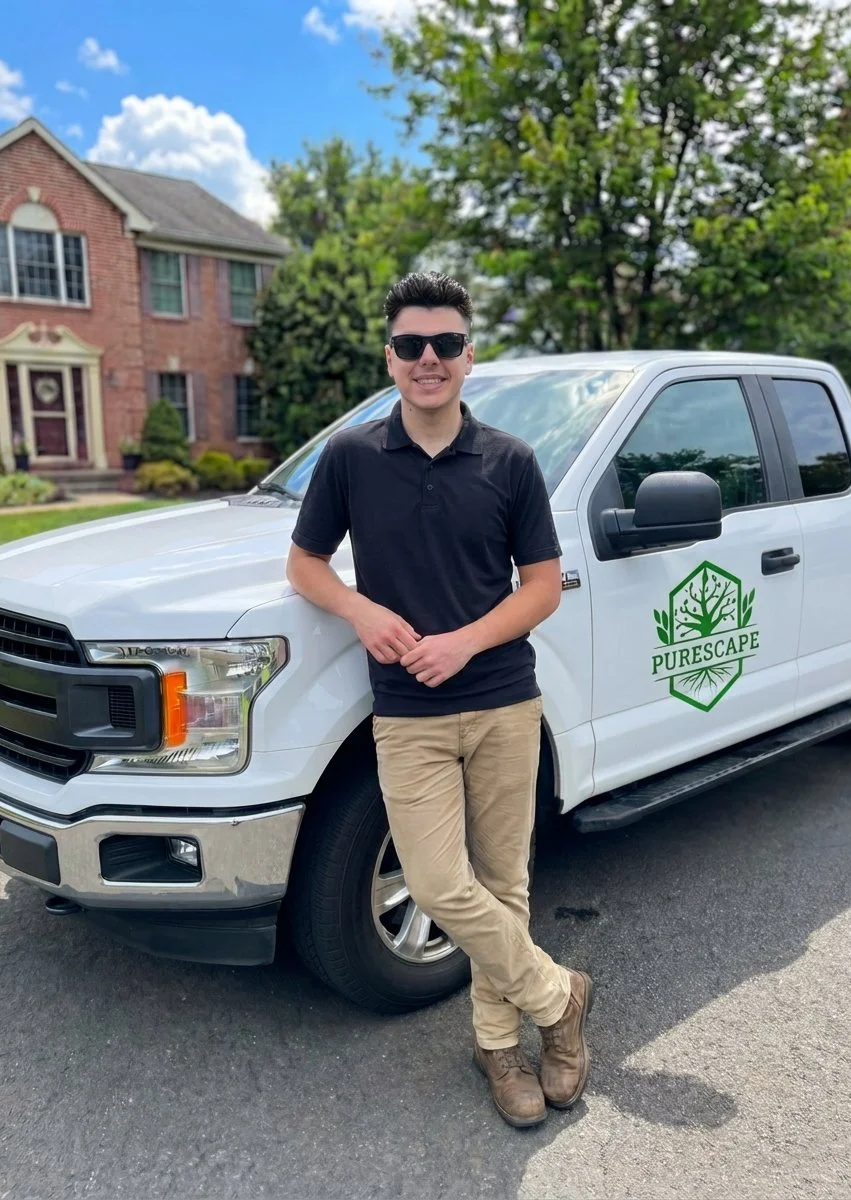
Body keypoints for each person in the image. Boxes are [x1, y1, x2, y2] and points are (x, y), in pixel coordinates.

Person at [286, 271, 594, 1128]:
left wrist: (465, 639)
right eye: (413, 344)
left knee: (506, 881)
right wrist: (359, 608)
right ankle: (559, 995)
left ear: (469, 356)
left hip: (502, 701)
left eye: (446, 344)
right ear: (390, 358)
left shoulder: (511, 461)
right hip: (407, 713)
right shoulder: (350, 458)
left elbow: (541, 588)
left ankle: (499, 1046)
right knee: (434, 877)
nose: (430, 359)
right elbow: (305, 564)